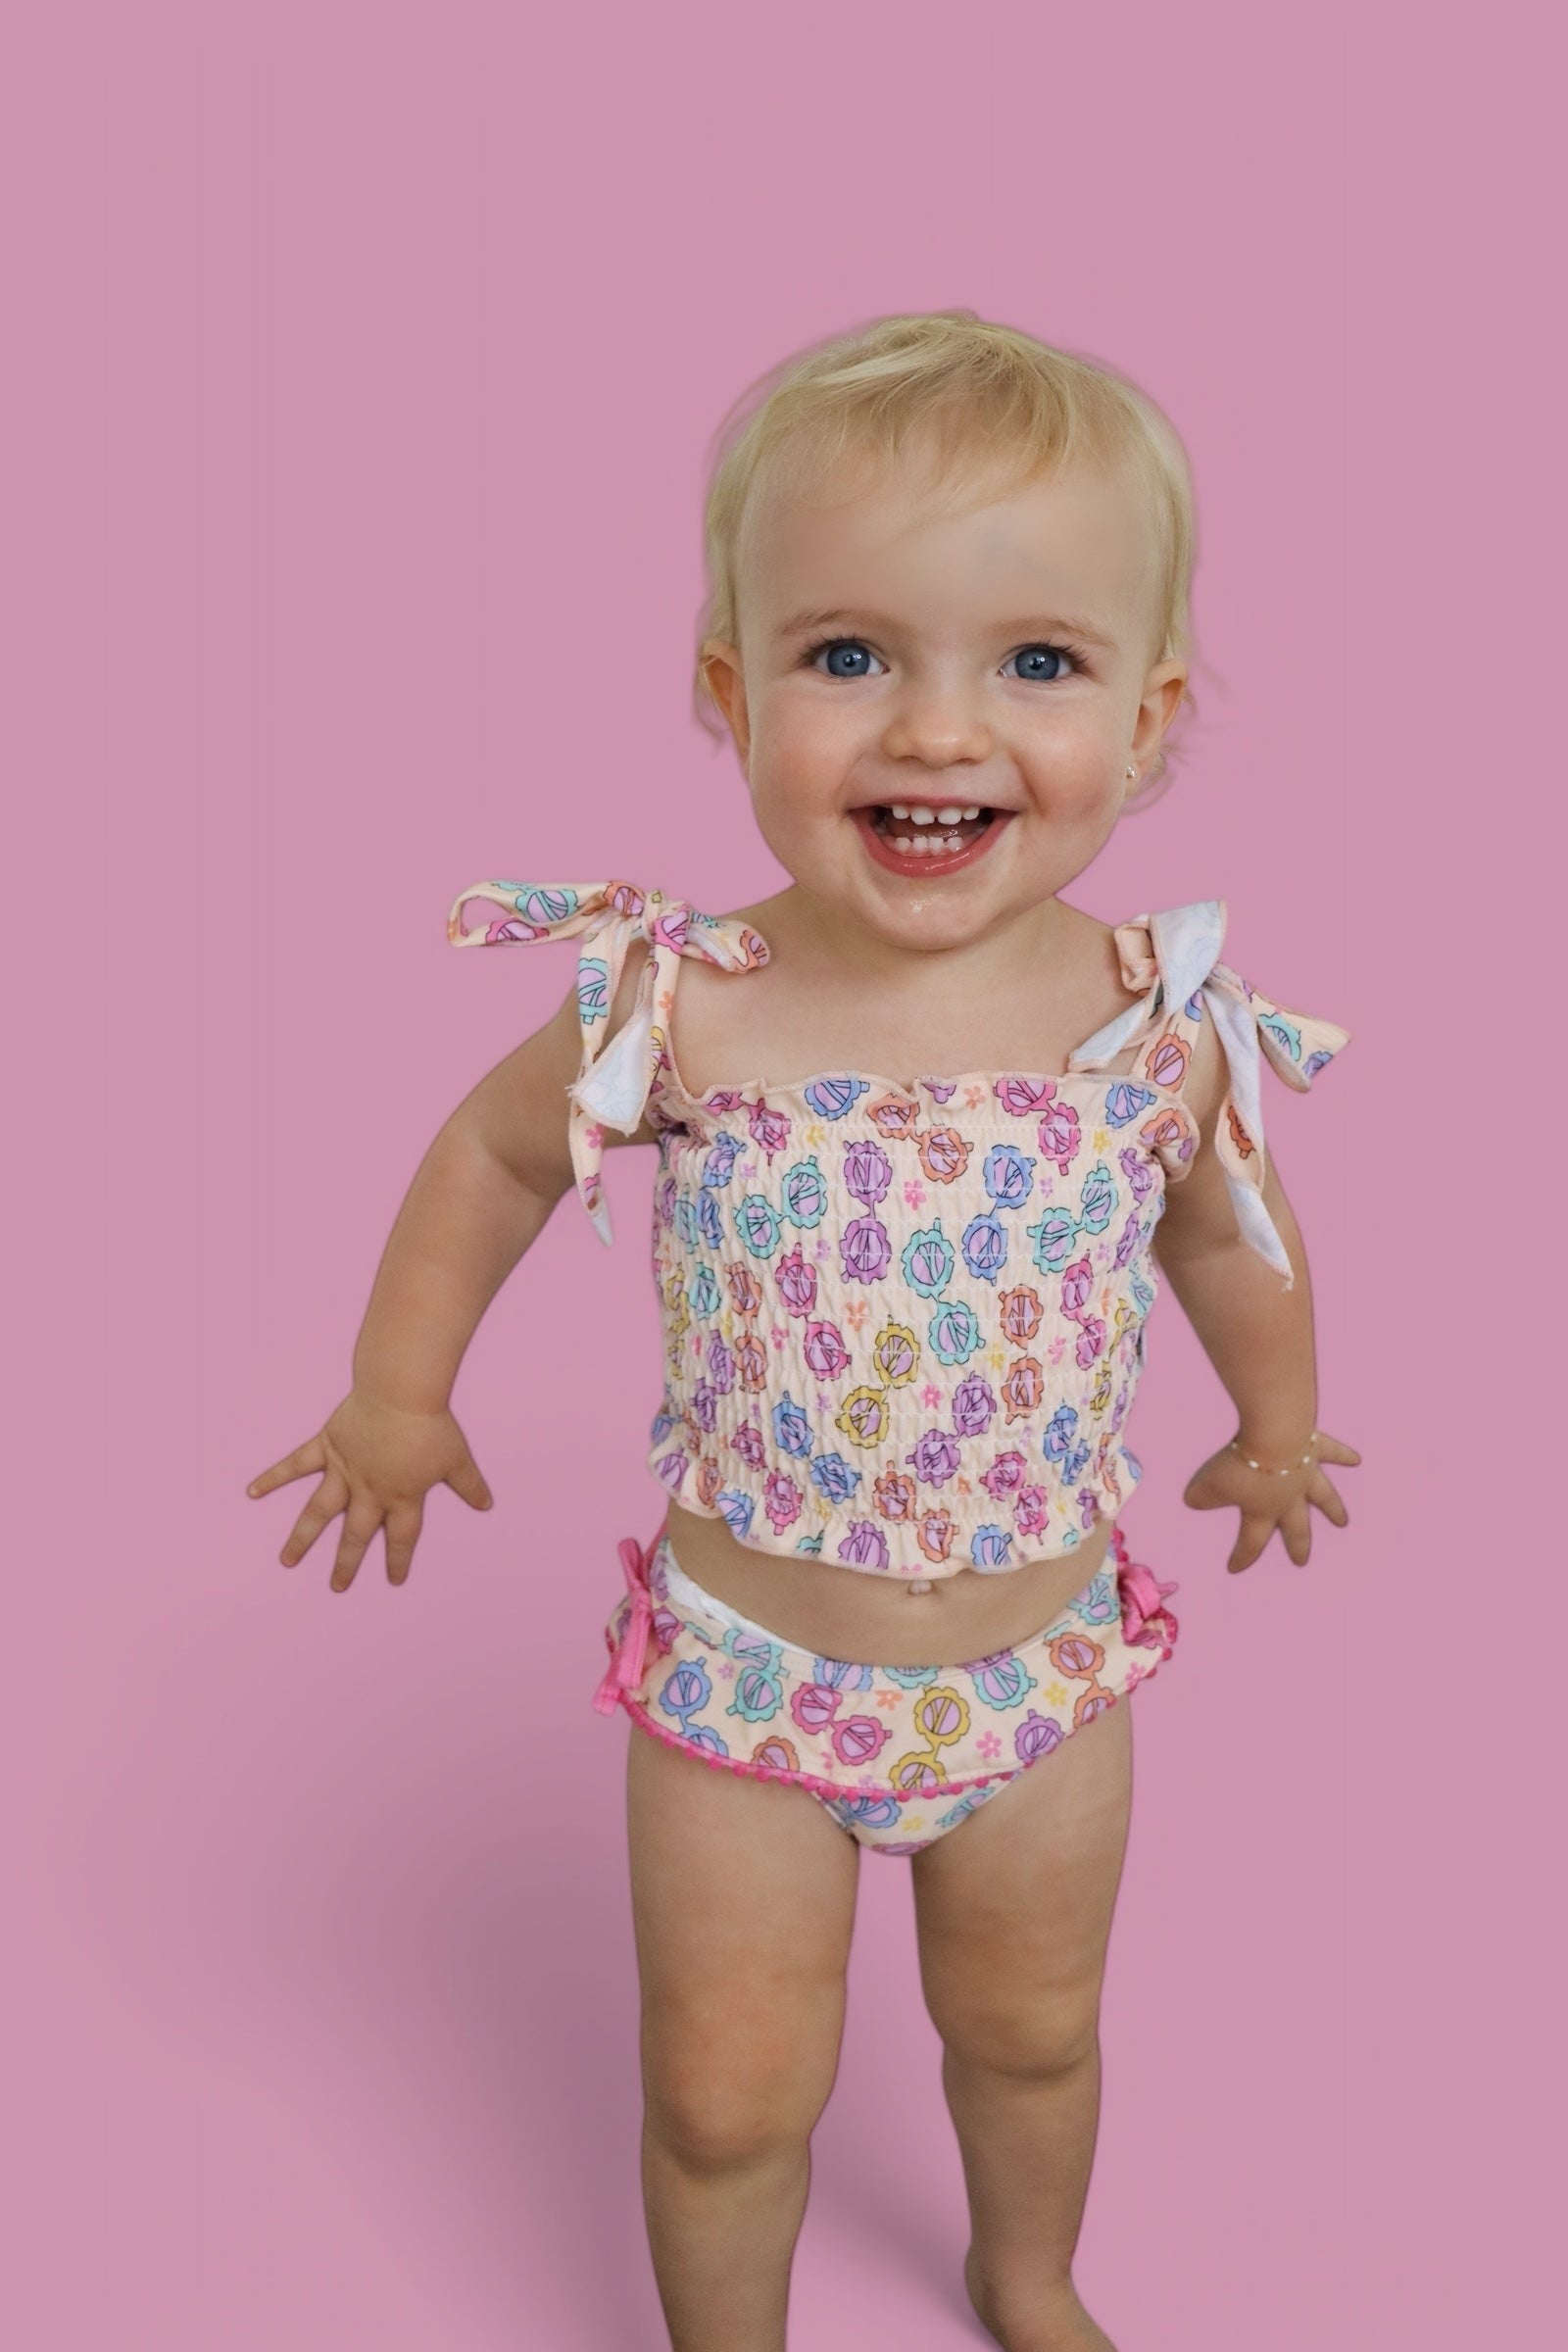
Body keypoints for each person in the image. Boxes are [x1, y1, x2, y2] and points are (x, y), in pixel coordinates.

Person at [248, 311, 1359, 2352]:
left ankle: (1024, 2272)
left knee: (1031, 2038)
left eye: (1035, 663)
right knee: (723, 2100)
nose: (936, 730)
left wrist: (1275, 1420)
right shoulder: (690, 1000)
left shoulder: (1151, 1023)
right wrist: (396, 1394)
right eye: (847, 655)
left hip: (1040, 1682)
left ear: (1147, 719)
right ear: (728, 689)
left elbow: (1229, 1231)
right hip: (748, 1695)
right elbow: (491, 1159)